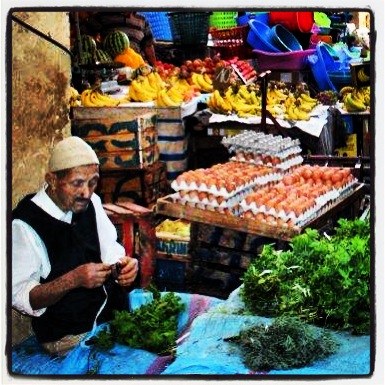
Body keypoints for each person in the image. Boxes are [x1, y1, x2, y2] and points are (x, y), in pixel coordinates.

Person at [12, 136, 139, 355]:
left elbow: (110, 248)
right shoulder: (24, 224)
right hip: (68, 335)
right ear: (52, 180)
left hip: (107, 318)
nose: (86, 192)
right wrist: (74, 279)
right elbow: (22, 296)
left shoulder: (91, 203)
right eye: (77, 183)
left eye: (93, 182)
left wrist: (123, 266)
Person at [83, 11, 157, 66]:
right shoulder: (103, 16)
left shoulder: (142, 20)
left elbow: (148, 46)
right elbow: (85, 35)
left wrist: (154, 67)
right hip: (113, 67)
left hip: (138, 65)